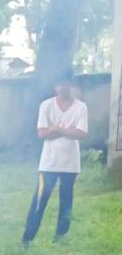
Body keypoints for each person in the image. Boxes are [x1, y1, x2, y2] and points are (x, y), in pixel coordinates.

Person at [22, 71, 88, 246]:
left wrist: (56, 129)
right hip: (48, 164)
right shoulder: (46, 105)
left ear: (71, 85)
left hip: (71, 164)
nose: (62, 88)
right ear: (55, 86)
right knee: (39, 199)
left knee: (66, 201)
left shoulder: (80, 107)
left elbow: (81, 133)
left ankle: (61, 237)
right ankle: (27, 238)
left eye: (65, 83)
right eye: (58, 84)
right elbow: (42, 133)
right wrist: (67, 130)